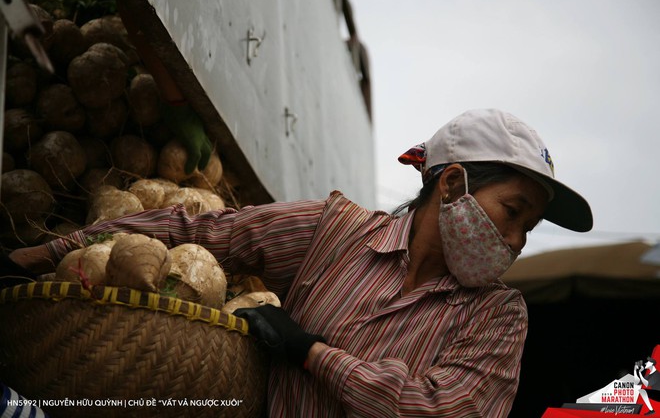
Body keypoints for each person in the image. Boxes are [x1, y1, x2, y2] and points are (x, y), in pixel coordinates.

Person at [4, 109, 593, 417]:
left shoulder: (497, 316)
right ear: (453, 183)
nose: (516, 240)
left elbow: (446, 410)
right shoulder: (336, 231)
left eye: (528, 227)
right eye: (512, 211)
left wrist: (310, 353)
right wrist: (50, 251)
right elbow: (211, 231)